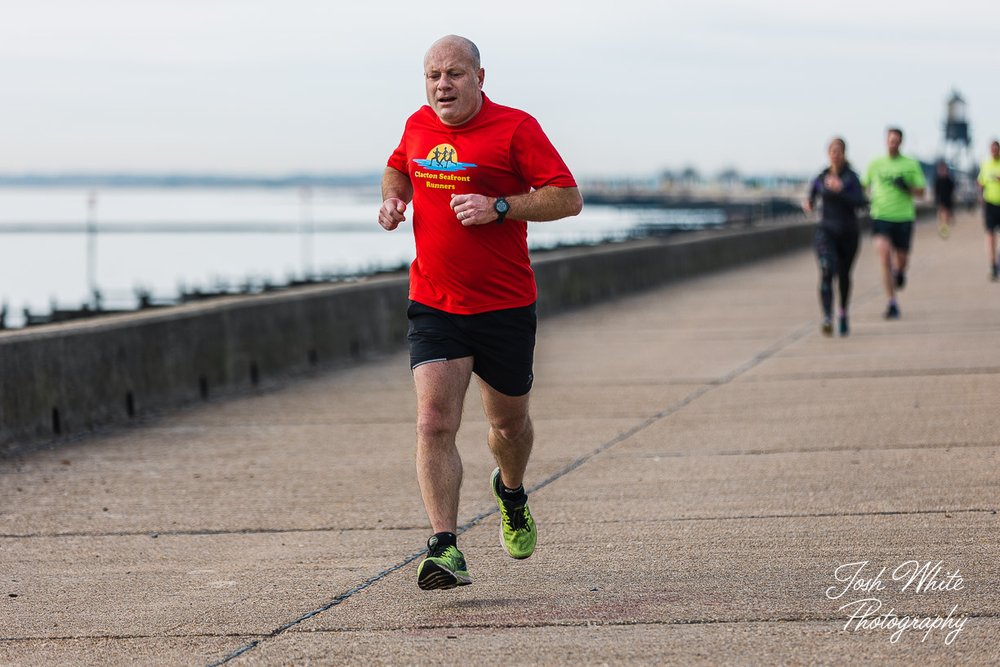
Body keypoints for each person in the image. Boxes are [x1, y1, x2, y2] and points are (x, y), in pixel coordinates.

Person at [378, 35, 583, 591]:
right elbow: (398, 168)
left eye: (454, 74)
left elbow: (567, 196)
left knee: (507, 424)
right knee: (433, 421)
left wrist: (500, 206)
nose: (442, 85)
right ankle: (444, 546)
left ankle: (511, 492)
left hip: (505, 306)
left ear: (479, 76)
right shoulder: (418, 124)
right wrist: (395, 199)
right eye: (432, 75)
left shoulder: (515, 128)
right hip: (435, 302)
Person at [862, 128, 926, 319]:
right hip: (881, 216)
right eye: (890, 140)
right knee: (884, 257)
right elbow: (863, 186)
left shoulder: (911, 164)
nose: (893, 143)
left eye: (896, 140)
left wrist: (907, 187)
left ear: (901, 142)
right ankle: (892, 302)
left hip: (904, 217)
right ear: (885, 141)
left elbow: (922, 193)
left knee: (902, 259)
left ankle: (899, 272)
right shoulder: (875, 164)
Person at [803, 137, 865, 336]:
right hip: (826, 231)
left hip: (848, 232)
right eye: (832, 150)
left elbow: (861, 202)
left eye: (839, 150)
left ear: (844, 153)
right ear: (828, 153)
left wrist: (840, 191)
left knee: (844, 275)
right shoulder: (821, 177)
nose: (835, 154)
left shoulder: (852, 178)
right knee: (827, 271)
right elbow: (811, 195)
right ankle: (827, 317)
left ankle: (843, 312)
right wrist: (809, 204)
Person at [977, 139, 1000, 280]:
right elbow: (980, 182)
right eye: (992, 149)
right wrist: (980, 195)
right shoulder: (985, 164)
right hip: (990, 204)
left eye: (996, 149)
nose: (994, 151)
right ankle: (992, 265)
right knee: (990, 235)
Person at [933, 160, 955, 239]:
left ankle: (944, 230)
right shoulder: (937, 180)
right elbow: (936, 192)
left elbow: (952, 190)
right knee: (941, 217)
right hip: (941, 201)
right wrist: (936, 201)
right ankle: (943, 230)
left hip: (948, 201)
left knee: (946, 217)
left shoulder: (949, 180)